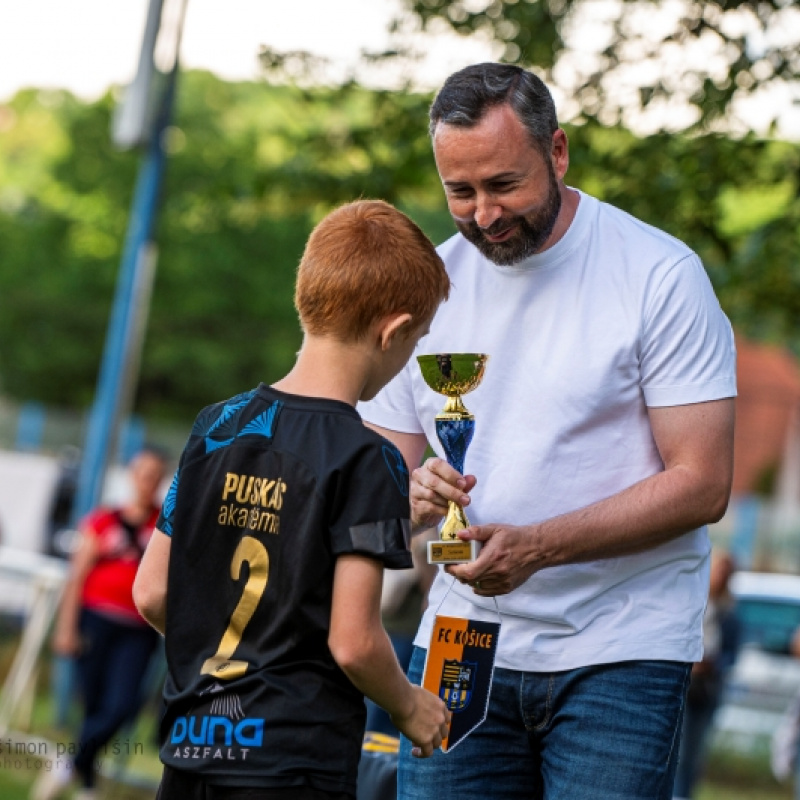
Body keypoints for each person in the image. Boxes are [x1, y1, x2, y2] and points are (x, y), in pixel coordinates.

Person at [357, 63, 737, 800]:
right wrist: (415, 491)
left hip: (621, 650)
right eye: (459, 192)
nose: (485, 215)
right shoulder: (425, 284)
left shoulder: (659, 274)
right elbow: (379, 482)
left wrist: (539, 546)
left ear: (557, 153)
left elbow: (703, 483)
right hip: (460, 639)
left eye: (504, 185)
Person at [132, 199, 452, 800]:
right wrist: (409, 705)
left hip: (194, 747)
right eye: (418, 340)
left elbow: (151, 592)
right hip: (292, 763)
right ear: (392, 330)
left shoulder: (216, 426)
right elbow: (354, 643)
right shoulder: (368, 457)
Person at [32, 446, 167, 800]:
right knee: (92, 704)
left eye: (155, 476)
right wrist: (66, 628)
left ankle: (69, 765)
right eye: (142, 473)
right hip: (95, 621)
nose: (146, 482)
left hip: (138, 630)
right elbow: (76, 577)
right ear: (130, 475)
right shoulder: (102, 522)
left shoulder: (163, 527)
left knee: (121, 705)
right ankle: (88, 785)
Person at [673, 549, 740, 799]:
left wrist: (716, 664)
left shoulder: (730, 613)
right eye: (719, 570)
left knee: (695, 754)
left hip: (709, 690)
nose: (722, 576)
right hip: (686, 686)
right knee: (678, 752)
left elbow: (732, 654)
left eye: (727, 572)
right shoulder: (692, 601)